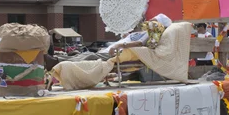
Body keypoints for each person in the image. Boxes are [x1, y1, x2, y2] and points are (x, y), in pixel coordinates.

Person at [44, 14, 173, 71]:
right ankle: (55, 59)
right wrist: (125, 37)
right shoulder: (141, 31)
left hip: (119, 52)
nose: (150, 21)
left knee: (91, 57)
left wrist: (120, 44)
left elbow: (140, 44)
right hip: (113, 49)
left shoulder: (152, 35)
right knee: (79, 53)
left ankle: (55, 62)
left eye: (154, 20)